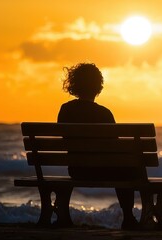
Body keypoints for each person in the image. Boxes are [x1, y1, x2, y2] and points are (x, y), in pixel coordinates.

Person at [57, 63, 145, 230]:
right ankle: (129, 217)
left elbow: (64, 138)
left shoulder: (65, 110)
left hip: (77, 170)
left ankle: (61, 215)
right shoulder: (104, 113)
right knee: (128, 170)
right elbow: (115, 147)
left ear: (73, 84)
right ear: (98, 87)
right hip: (102, 170)